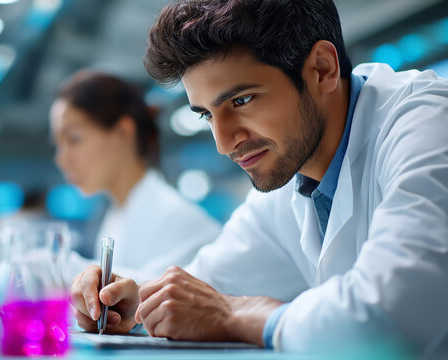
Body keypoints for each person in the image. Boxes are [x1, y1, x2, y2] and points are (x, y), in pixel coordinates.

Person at [70, 0, 448, 357]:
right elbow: (206, 288)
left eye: (241, 101)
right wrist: (131, 305)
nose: (223, 143)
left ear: (322, 69)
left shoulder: (428, 123)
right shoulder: (289, 175)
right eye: (206, 115)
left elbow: (389, 319)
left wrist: (235, 315)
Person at [50, 70, 222, 284]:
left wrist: (58, 267)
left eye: (74, 139)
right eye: (58, 144)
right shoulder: (116, 216)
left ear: (122, 132)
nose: (61, 159)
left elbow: (155, 299)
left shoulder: (176, 222)